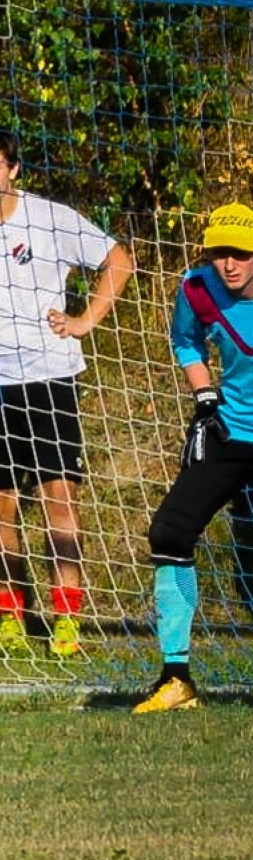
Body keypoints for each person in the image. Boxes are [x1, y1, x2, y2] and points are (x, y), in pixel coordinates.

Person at [0, 126, 135, 658]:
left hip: (51, 377)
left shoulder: (52, 218)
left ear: (13, 170)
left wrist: (86, 320)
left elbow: (119, 260)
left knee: (59, 498)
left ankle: (66, 615)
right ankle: (9, 611)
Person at [134, 203, 253, 713]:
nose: (229, 264)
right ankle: (177, 678)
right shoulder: (198, 289)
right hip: (229, 431)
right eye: (220, 252)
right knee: (170, 532)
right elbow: (185, 341)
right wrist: (205, 398)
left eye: (241, 254)